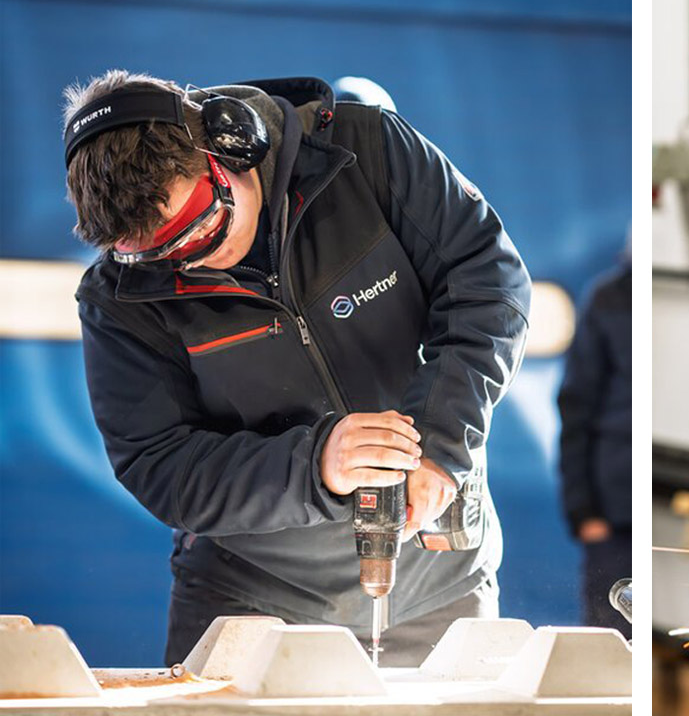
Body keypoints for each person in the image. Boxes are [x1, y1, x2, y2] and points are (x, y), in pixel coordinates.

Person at [64, 71, 531, 666]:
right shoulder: (119, 301)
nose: (198, 259)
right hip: (250, 599)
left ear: (231, 143)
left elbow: (488, 283)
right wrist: (315, 466)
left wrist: (441, 441)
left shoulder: (367, 152)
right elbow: (160, 462)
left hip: (438, 590)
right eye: (166, 255)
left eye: (203, 225)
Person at [557, 256, 632, 636]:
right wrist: (584, 512)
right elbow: (575, 410)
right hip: (610, 523)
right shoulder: (608, 299)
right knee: (609, 644)